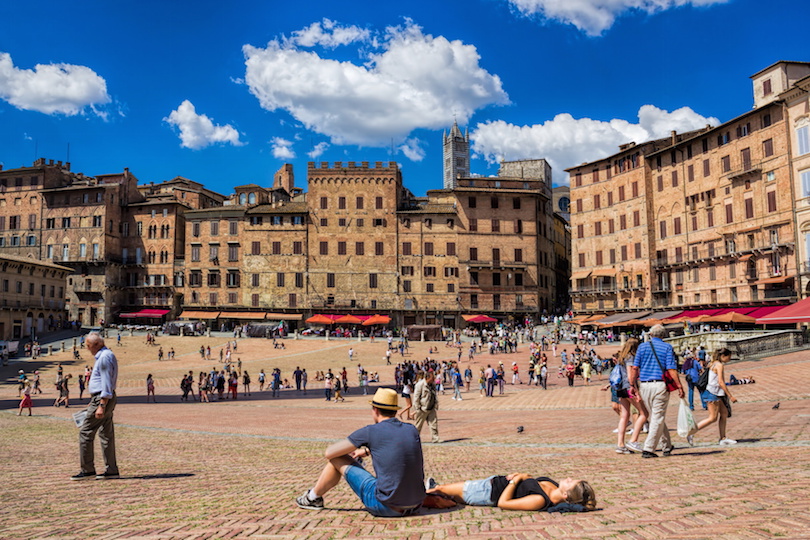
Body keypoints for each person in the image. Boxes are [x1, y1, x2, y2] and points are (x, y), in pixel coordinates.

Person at [295, 388, 425, 516]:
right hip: (416, 504)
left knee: (336, 460)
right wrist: (366, 451)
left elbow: (329, 453)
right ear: (395, 411)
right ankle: (313, 497)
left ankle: (312, 497)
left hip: (386, 506)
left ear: (375, 410)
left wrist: (351, 452)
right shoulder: (411, 429)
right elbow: (396, 444)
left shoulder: (371, 431)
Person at [628, 324, 684, 458]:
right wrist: (679, 386)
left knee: (656, 416)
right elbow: (671, 369)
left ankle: (667, 446)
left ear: (651, 335)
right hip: (660, 385)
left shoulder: (642, 347)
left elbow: (635, 368)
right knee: (657, 417)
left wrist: (632, 385)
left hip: (644, 385)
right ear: (663, 335)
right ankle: (649, 448)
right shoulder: (667, 347)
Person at [72, 332, 120, 480]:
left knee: (86, 432)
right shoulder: (106, 355)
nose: (87, 348)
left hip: (103, 397)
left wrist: (101, 404)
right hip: (103, 397)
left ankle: (87, 469)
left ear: (97, 344)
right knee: (106, 434)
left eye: (89, 345)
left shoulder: (104, 357)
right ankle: (111, 469)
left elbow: (106, 381)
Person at [426, 474, 595, 512]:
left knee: (439, 490)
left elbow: (504, 503)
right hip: (490, 483)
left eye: (572, 482)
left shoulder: (539, 500)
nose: (569, 478)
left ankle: (412, 496)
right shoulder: (552, 484)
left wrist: (516, 480)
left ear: (566, 495)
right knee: (443, 488)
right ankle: (443, 499)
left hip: (486, 493)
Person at [688, 349, 738, 446]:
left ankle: (723, 438)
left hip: (716, 393)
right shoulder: (719, 365)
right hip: (713, 393)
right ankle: (691, 432)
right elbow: (721, 382)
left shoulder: (713, 363)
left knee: (724, 413)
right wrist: (730, 396)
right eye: (729, 357)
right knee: (713, 418)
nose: (730, 359)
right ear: (723, 356)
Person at [412, 371, 440, 443]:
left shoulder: (432, 385)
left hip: (431, 407)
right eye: (432, 378)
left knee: (433, 424)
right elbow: (416, 397)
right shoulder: (420, 385)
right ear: (427, 378)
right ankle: (414, 439)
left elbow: (434, 395)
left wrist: (436, 404)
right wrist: (417, 408)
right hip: (422, 409)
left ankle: (435, 438)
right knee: (418, 425)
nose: (433, 379)